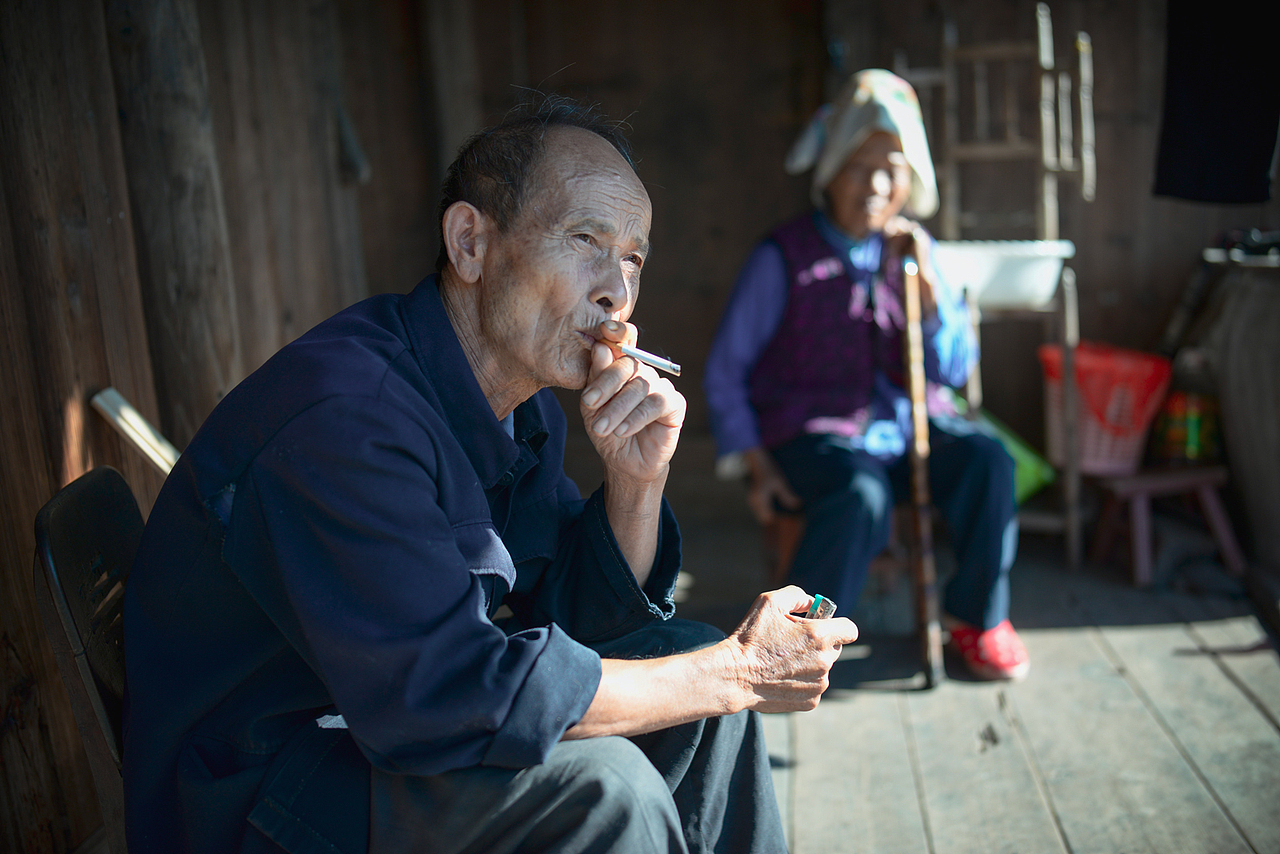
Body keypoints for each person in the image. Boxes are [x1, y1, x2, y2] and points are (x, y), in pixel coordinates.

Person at [122, 96, 858, 854]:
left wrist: (637, 483)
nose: (617, 290)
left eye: (634, 256)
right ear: (470, 242)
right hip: (265, 787)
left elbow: (586, 623)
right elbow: (446, 692)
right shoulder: (349, 418)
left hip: (377, 735)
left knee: (689, 686)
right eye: (586, 239)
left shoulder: (517, 402)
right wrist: (733, 670)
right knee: (608, 791)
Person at [704, 69, 1028, 682]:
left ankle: (978, 617)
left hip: (909, 433)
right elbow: (728, 369)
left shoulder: (915, 252)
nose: (878, 186)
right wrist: (755, 461)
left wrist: (928, 295)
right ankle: (801, 639)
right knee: (860, 496)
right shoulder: (782, 257)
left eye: (893, 170)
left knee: (990, 461)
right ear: (830, 173)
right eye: (860, 166)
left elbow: (954, 369)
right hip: (816, 439)